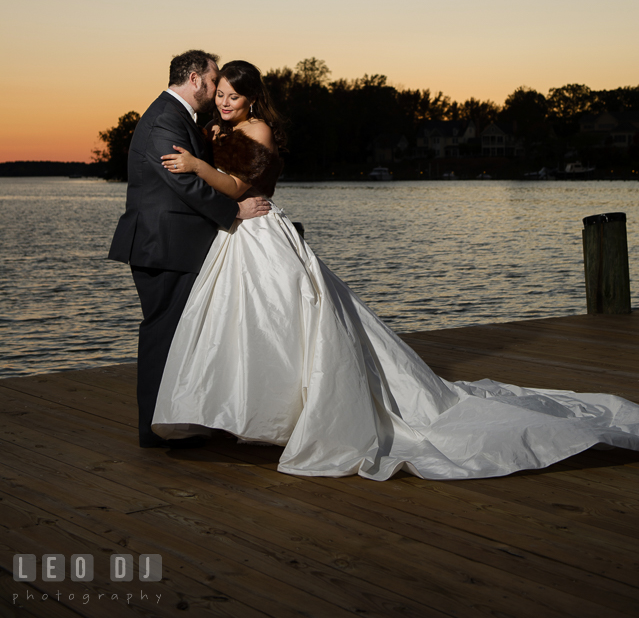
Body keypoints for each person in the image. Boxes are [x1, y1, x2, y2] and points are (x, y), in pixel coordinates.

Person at [152, 60, 639, 480]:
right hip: (238, 238)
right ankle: (250, 413)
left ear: (253, 99)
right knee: (244, 325)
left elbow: (237, 187)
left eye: (233, 96)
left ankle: (292, 416)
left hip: (259, 233)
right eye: (219, 95)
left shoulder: (254, 130)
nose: (223, 103)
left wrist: (197, 165)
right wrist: (207, 152)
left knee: (281, 320)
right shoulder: (224, 129)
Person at [108, 50, 270, 448]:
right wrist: (233, 211)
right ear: (196, 79)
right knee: (163, 334)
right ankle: (154, 429)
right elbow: (184, 183)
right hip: (162, 244)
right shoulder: (166, 118)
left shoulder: (183, 118)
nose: (218, 92)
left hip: (173, 243)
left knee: (182, 335)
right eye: (215, 82)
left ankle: (181, 419)